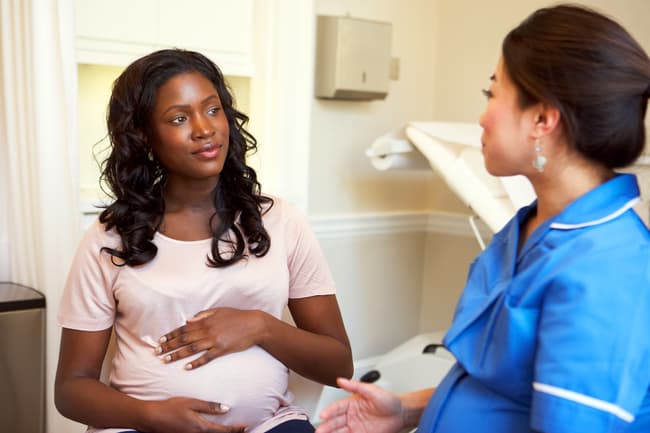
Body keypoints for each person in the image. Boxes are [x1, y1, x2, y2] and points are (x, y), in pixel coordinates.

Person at [315, 5, 650, 433]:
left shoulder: (609, 265)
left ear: (543, 119)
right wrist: (407, 410)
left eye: (491, 94)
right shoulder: (530, 228)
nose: (482, 116)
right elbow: (503, 388)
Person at [55, 48, 353, 433]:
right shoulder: (110, 237)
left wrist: (261, 326)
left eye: (212, 110)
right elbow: (71, 389)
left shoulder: (281, 221)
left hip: (270, 426)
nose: (204, 128)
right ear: (144, 136)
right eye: (179, 118)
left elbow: (339, 364)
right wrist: (150, 416)